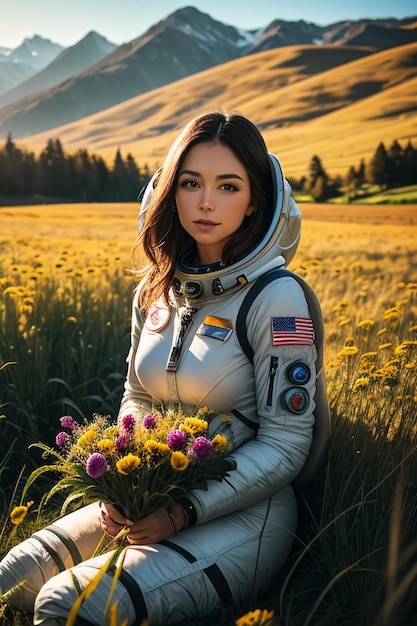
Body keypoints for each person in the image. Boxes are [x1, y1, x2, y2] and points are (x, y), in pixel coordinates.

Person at [0, 111, 330, 625]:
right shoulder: (155, 290)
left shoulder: (278, 298)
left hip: (249, 514)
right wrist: (119, 489)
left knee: (66, 606)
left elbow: (288, 444)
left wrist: (182, 513)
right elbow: (136, 398)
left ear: (255, 203)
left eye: (228, 186)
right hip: (151, 500)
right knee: (12, 579)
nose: (205, 202)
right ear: (169, 192)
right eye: (191, 183)